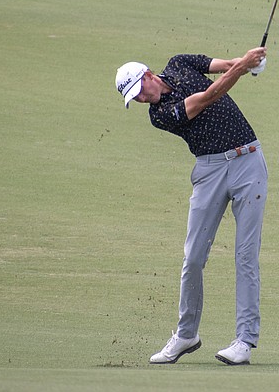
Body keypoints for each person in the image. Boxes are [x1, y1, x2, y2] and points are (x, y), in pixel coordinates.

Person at [115, 47, 269, 366]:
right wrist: (243, 68)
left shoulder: (180, 63)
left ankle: (244, 341)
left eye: (139, 91)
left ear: (147, 75)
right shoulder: (160, 115)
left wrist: (251, 62)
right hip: (209, 171)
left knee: (245, 254)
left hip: (248, 162)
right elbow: (209, 96)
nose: (141, 99)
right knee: (193, 257)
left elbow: (224, 65)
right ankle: (186, 334)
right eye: (135, 98)